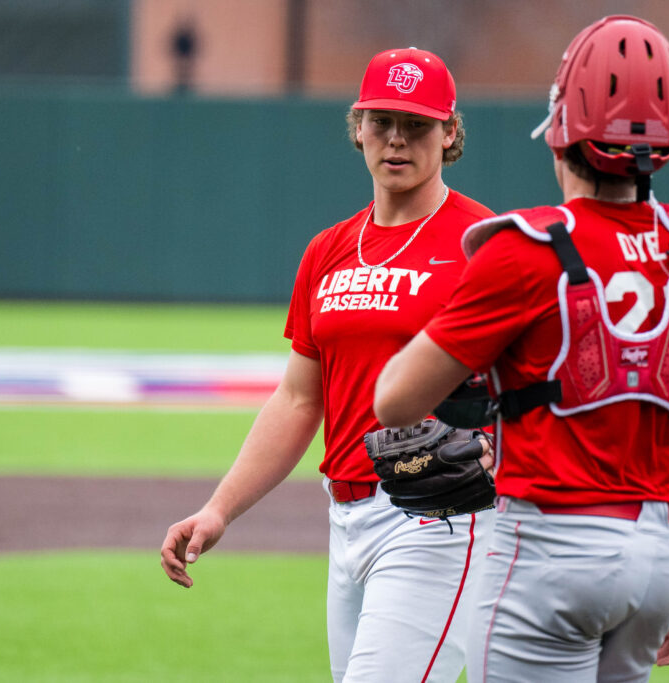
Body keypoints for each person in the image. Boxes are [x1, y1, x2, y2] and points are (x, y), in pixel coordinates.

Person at [374, 16, 669, 682]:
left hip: (548, 549)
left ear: (560, 131)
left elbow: (395, 400)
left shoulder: (522, 252)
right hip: (658, 558)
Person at [160, 47, 495, 682]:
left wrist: (499, 452)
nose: (396, 139)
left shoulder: (481, 243)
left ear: (449, 131)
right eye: (381, 120)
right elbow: (297, 399)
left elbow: (535, 384)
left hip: (440, 518)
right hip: (346, 519)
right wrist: (219, 509)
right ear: (358, 126)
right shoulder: (330, 249)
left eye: (417, 123)